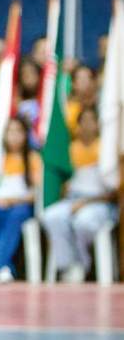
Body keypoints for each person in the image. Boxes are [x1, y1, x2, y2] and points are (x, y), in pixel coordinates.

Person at [42, 107, 117, 283]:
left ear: (98, 124)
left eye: (91, 120)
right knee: (52, 216)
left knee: (83, 223)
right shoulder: (70, 149)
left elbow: (113, 192)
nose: (87, 125)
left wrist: (85, 202)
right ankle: (66, 266)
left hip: (99, 203)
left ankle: (84, 265)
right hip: (73, 200)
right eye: (83, 121)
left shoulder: (106, 150)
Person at [0, 116, 42, 283]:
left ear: (25, 135)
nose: (14, 136)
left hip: (21, 206)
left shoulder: (33, 159)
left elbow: (36, 193)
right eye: (10, 132)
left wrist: (13, 200)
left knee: (15, 215)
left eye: (18, 132)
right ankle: (5, 267)